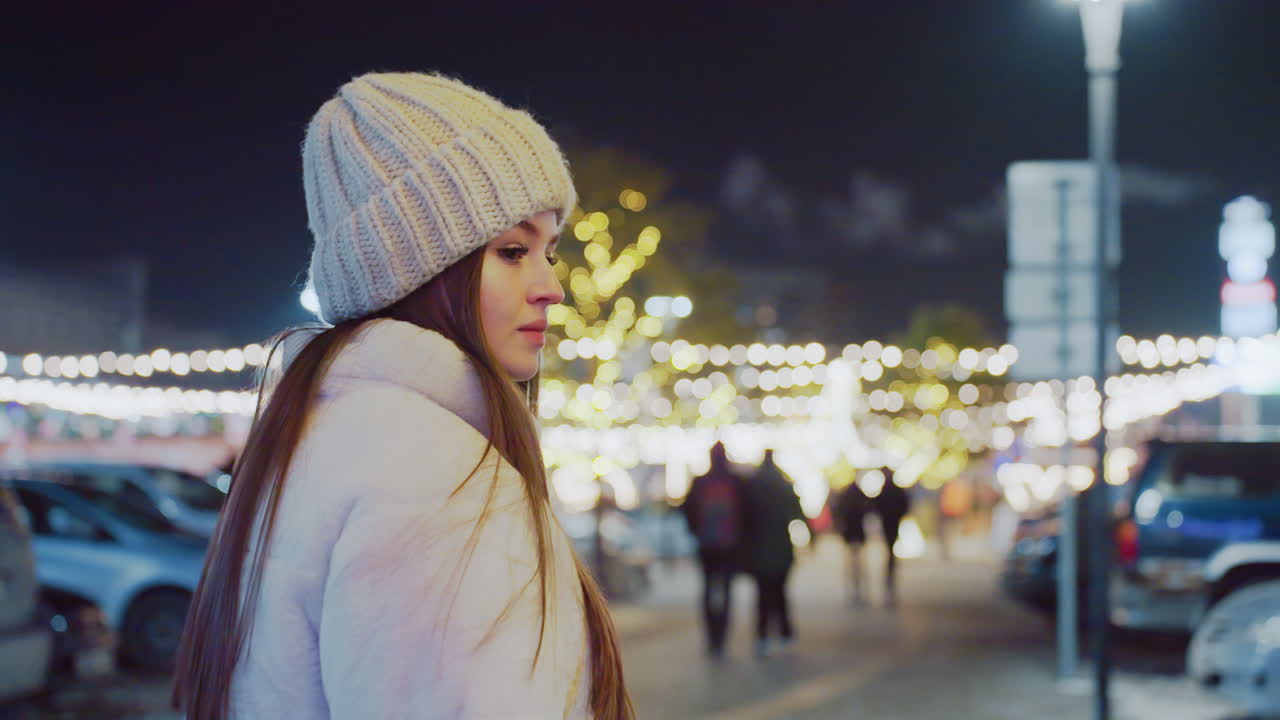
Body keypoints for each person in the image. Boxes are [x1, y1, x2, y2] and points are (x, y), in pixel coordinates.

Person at [171, 72, 634, 720]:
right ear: (417, 266)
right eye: (511, 250)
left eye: (547, 251)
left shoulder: (319, 438)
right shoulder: (438, 478)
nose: (550, 286)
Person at [680, 441, 748, 658]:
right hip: (729, 547)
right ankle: (721, 638)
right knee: (726, 591)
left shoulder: (701, 482)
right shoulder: (736, 482)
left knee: (708, 589)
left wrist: (696, 532)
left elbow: (686, 509)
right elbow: (748, 514)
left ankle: (712, 638)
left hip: (707, 546)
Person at [744, 449, 807, 657]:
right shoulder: (782, 484)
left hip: (759, 549)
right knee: (780, 591)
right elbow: (797, 513)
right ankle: (784, 631)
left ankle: (763, 635)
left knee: (763, 594)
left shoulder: (753, 485)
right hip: (781, 548)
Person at [875, 467, 911, 605]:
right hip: (891, 523)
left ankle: (890, 577)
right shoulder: (889, 489)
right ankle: (890, 576)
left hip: (891, 523)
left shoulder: (890, 490)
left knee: (890, 551)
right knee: (890, 551)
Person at [833, 479, 872, 605]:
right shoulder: (859, 495)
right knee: (858, 562)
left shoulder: (845, 495)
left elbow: (838, 511)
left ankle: (854, 588)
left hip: (850, 532)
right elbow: (868, 508)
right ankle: (858, 588)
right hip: (857, 532)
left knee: (852, 562)